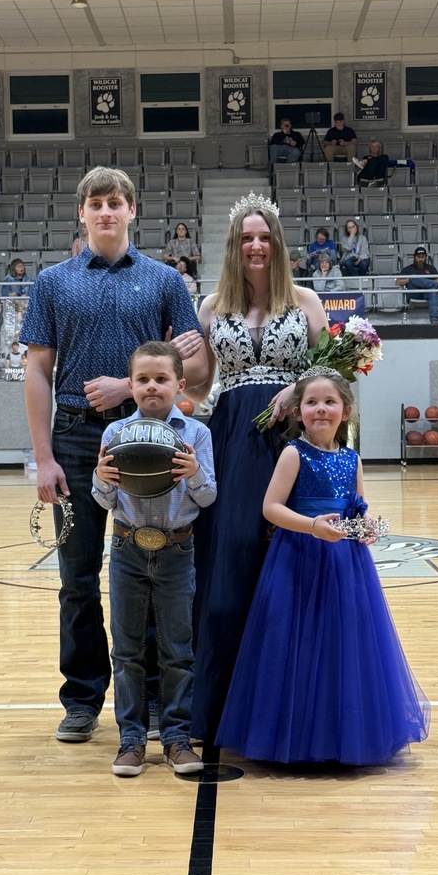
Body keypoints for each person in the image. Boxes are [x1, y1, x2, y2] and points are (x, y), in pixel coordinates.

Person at [20, 165, 207, 744]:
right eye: (95, 203)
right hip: (76, 438)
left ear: (132, 211)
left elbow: (194, 367)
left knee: (150, 567)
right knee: (77, 577)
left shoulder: (165, 280)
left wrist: (128, 386)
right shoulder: (52, 282)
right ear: (81, 213)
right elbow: (37, 371)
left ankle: (149, 698)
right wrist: (43, 457)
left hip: (147, 438)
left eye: (115, 202)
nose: (105, 211)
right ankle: (82, 698)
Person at [215, 369, 430, 765]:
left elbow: (358, 506)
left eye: (329, 402)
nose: (320, 409)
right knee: (297, 644)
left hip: (346, 564)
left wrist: (366, 525)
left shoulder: (352, 458)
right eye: (311, 402)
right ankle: (297, 739)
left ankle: (338, 737)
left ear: (346, 411)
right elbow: (271, 508)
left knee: (342, 645)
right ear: (298, 411)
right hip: (298, 558)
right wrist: (312, 526)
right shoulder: (293, 453)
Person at [186, 192, 328, 743]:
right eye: (247, 237)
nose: (256, 246)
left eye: (265, 237)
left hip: (291, 441)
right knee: (231, 563)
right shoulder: (210, 307)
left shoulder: (307, 302)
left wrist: (300, 388)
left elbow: (332, 376)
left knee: (290, 562)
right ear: (234, 245)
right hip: (232, 438)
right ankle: (223, 709)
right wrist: (174, 373)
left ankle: (295, 709)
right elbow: (201, 384)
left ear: (278, 244)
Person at [92, 341, 217, 777]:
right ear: (129, 386)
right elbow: (104, 501)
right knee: (127, 650)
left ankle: (177, 739)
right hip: (127, 548)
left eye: (161, 379)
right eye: (142, 379)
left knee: (176, 650)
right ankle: (131, 740)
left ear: (179, 384)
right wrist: (101, 479)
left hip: (177, 550)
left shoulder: (196, 434)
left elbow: (208, 497)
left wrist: (194, 474)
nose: (151, 386)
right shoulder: (114, 434)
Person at [396, 246, 438, 324]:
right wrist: (410, 280)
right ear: (414, 257)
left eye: (422, 257)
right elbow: (397, 282)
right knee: (414, 278)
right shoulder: (407, 269)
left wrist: (425, 282)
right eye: (418, 257)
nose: (420, 259)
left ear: (425, 257)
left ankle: (434, 319)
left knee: (433, 291)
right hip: (413, 293)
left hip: (427, 293)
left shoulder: (431, 268)